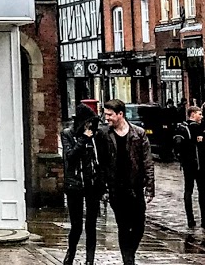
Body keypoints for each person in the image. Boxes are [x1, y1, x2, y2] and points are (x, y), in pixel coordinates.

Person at [98, 98, 155, 265]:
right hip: (116, 188)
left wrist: (150, 187)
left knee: (139, 226)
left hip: (135, 187)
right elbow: (101, 163)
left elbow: (147, 162)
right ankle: (128, 261)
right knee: (123, 225)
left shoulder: (138, 133)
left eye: (109, 115)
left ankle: (130, 253)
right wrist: (104, 189)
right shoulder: (104, 134)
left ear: (120, 114)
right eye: (105, 114)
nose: (106, 118)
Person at [61, 103, 104, 265]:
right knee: (76, 226)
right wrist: (83, 139)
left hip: (92, 184)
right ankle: (70, 254)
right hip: (75, 185)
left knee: (91, 225)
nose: (90, 126)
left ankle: (89, 260)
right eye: (87, 123)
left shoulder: (96, 136)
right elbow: (70, 157)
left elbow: (100, 161)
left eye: (91, 123)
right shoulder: (67, 134)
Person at [174, 104, 205, 228]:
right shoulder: (190, 128)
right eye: (199, 114)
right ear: (193, 114)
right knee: (193, 191)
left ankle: (194, 220)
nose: (201, 116)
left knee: (193, 191)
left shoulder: (183, 128)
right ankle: (193, 219)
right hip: (194, 165)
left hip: (192, 165)